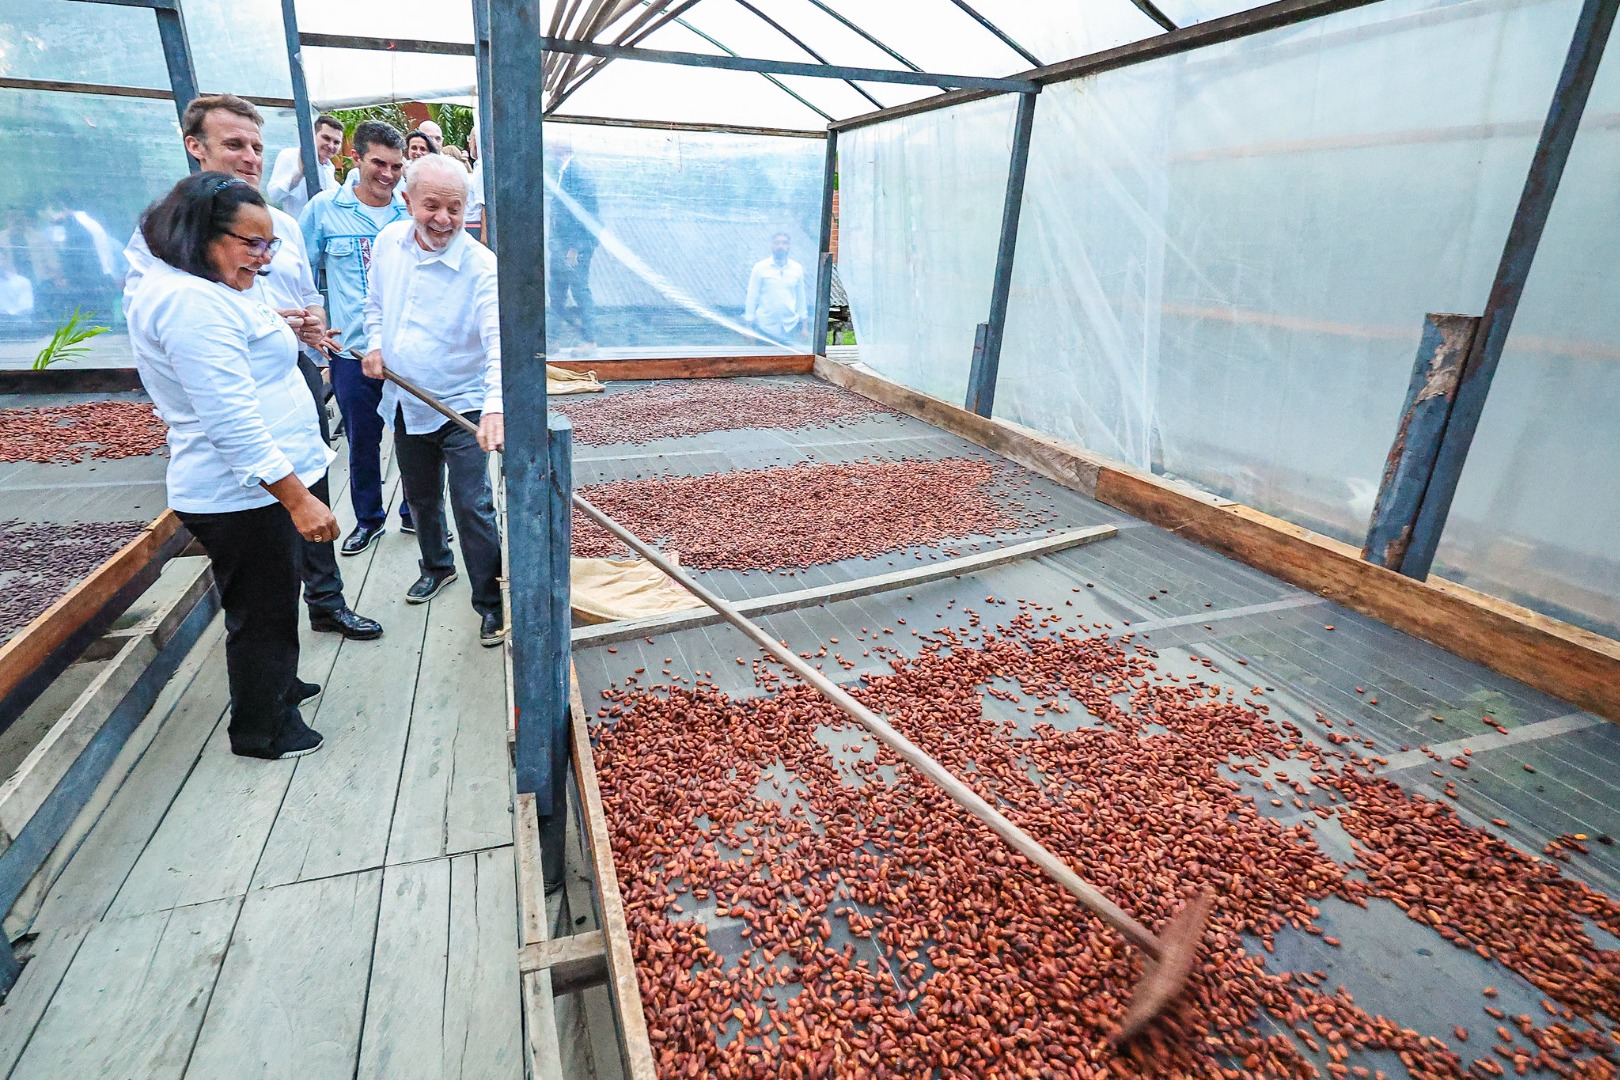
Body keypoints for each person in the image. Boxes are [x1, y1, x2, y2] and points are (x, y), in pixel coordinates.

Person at [124, 93, 383, 643]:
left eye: (257, 147)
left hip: (292, 370)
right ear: (196, 148)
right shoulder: (169, 245)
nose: (249, 157)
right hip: (241, 416)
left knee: (312, 488)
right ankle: (272, 681)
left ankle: (325, 600)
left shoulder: (280, 224)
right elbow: (195, 350)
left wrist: (305, 322)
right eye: (234, 144)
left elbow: (302, 290)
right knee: (275, 546)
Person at [127, 173, 336, 759]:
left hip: (262, 485)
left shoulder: (215, 285)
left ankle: (280, 687)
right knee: (259, 611)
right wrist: (297, 497)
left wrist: (282, 326)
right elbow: (232, 423)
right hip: (240, 494)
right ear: (200, 234)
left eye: (269, 245)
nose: (263, 258)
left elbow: (244, 345)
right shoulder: (190, 305)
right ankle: (262, 729)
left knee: (274, 595)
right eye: (252, 244)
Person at [362, 154, 505, 647]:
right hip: (407, 400)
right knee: (421, 498)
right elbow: (375, 305)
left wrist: (494, 407)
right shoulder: (388, 244)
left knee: (473, 506)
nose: (444, 219)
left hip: (461, 403)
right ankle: (436, 565)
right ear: (407, 202)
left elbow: (497, 342)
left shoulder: (480, 266)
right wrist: (376, 344)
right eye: (431, 206)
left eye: (454, 208)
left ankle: (490, 600)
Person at [300, 120, 417, 555]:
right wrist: (314, 328)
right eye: (379, 163)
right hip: (352, 350)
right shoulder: (324, 210)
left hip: (406, 351)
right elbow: (302, 274)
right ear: (356, 157)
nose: (387, 174)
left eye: (396, 166)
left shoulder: (410, 212)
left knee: (415, 437)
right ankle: (368, 518)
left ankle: (417, 513)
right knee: (361, 437)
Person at [548, 138, 598, 350]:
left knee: (580, 291)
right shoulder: (563, 171)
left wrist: (576, 248)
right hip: (561, 245)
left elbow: (585, 214)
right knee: (557, 291)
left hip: (574, 247)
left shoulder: (577, 174)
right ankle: (552, 339)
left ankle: (589, 339)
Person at [267, 114, 343, 219]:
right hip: (297, 231)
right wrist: (299, 175)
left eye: (336, 142)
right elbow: (274, 195)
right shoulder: (290, 156)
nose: (331, 146)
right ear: (313, 135)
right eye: (326, 138)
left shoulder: (329, 168)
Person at [745, 231, 808, 345]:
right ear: (771, 245)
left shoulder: (796, 268)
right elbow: (752, 297)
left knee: (790, 361)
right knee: (764, 361)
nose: (780, 246)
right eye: (777, 243)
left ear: (789, 246)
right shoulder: (760, 268)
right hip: (765, 327)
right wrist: (749, 327)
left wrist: (804, 325)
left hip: (789, 326)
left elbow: (801, 297)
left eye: (784, 243)